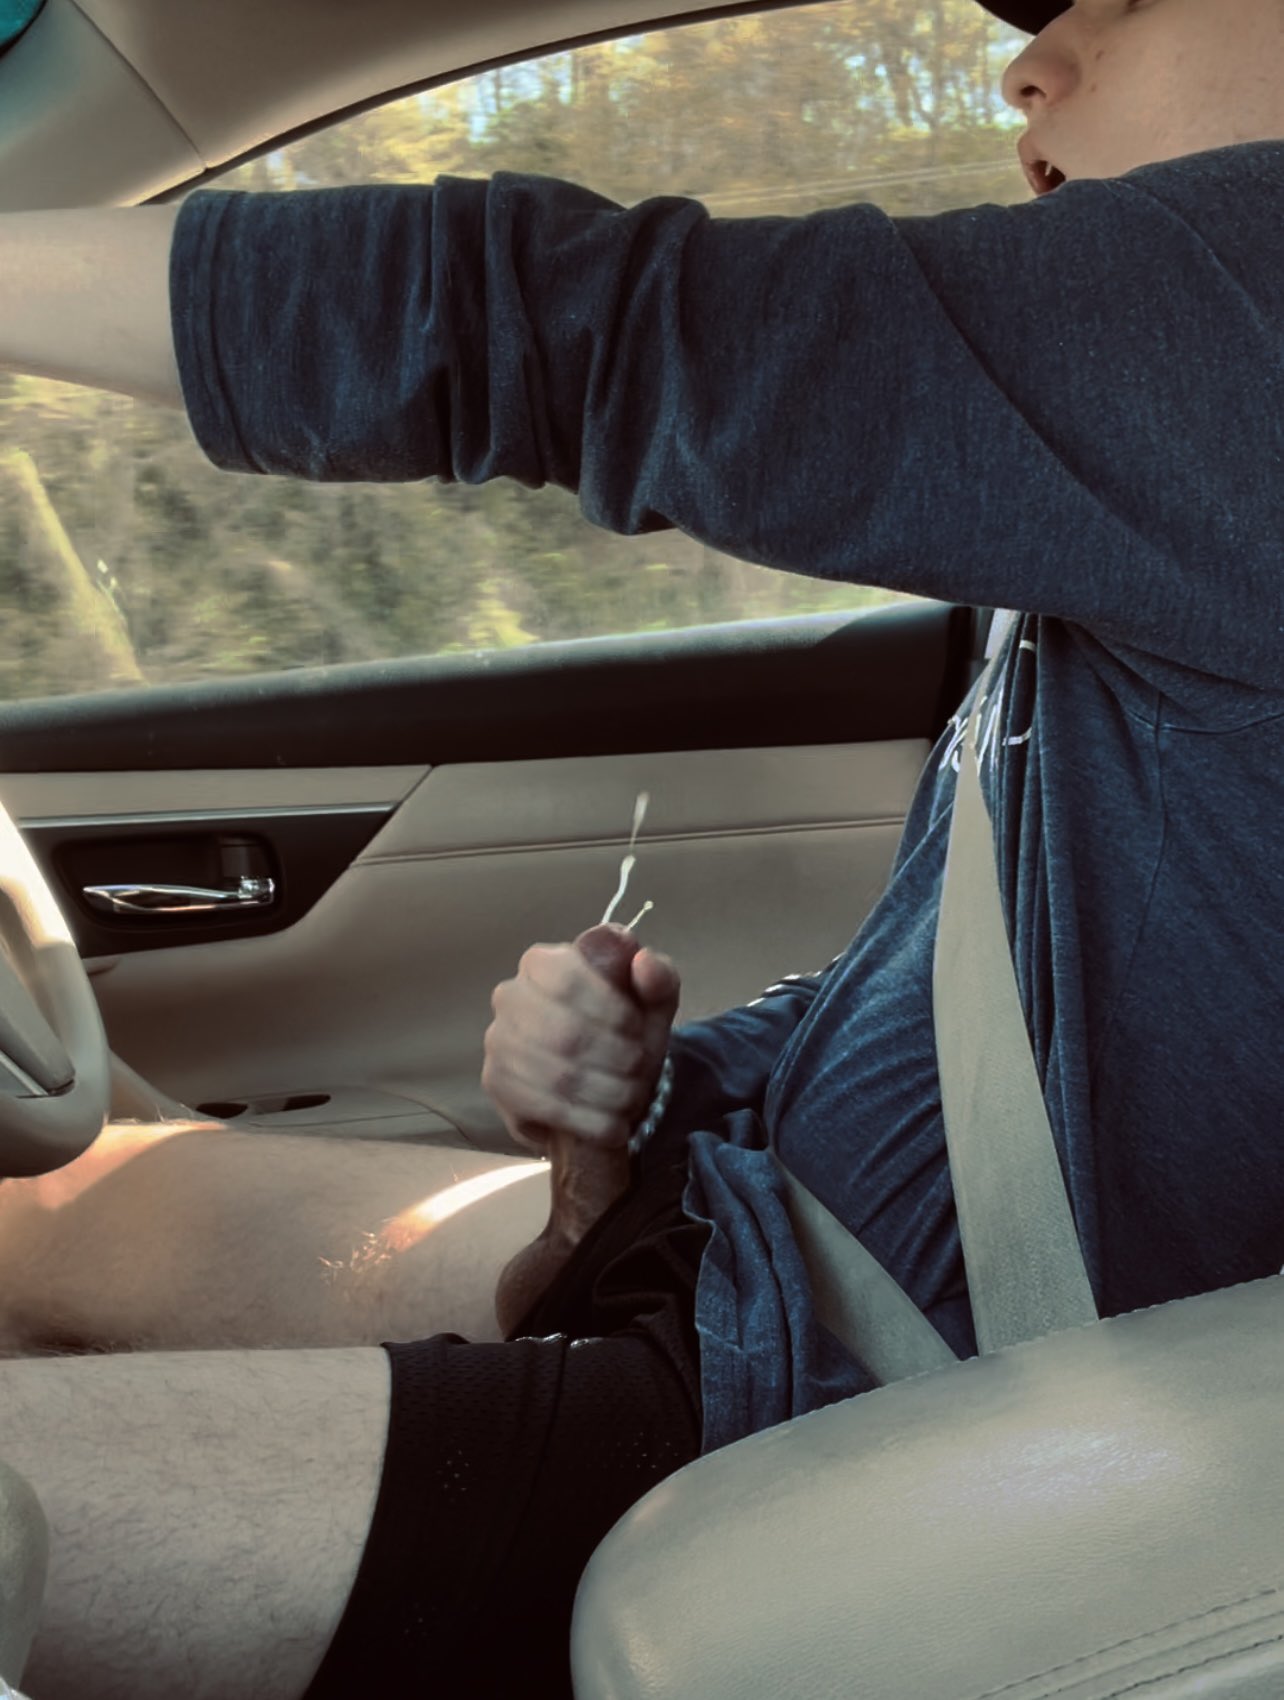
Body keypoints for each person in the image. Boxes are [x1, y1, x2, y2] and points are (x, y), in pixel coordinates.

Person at [0, 0, 1282, 1693]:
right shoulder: (1154, 472)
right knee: (52, 1211)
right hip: (761, 1253)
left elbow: (564, 323)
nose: (1028, 68)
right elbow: (1036, 979)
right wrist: (654, 1100)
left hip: (894, 1426)